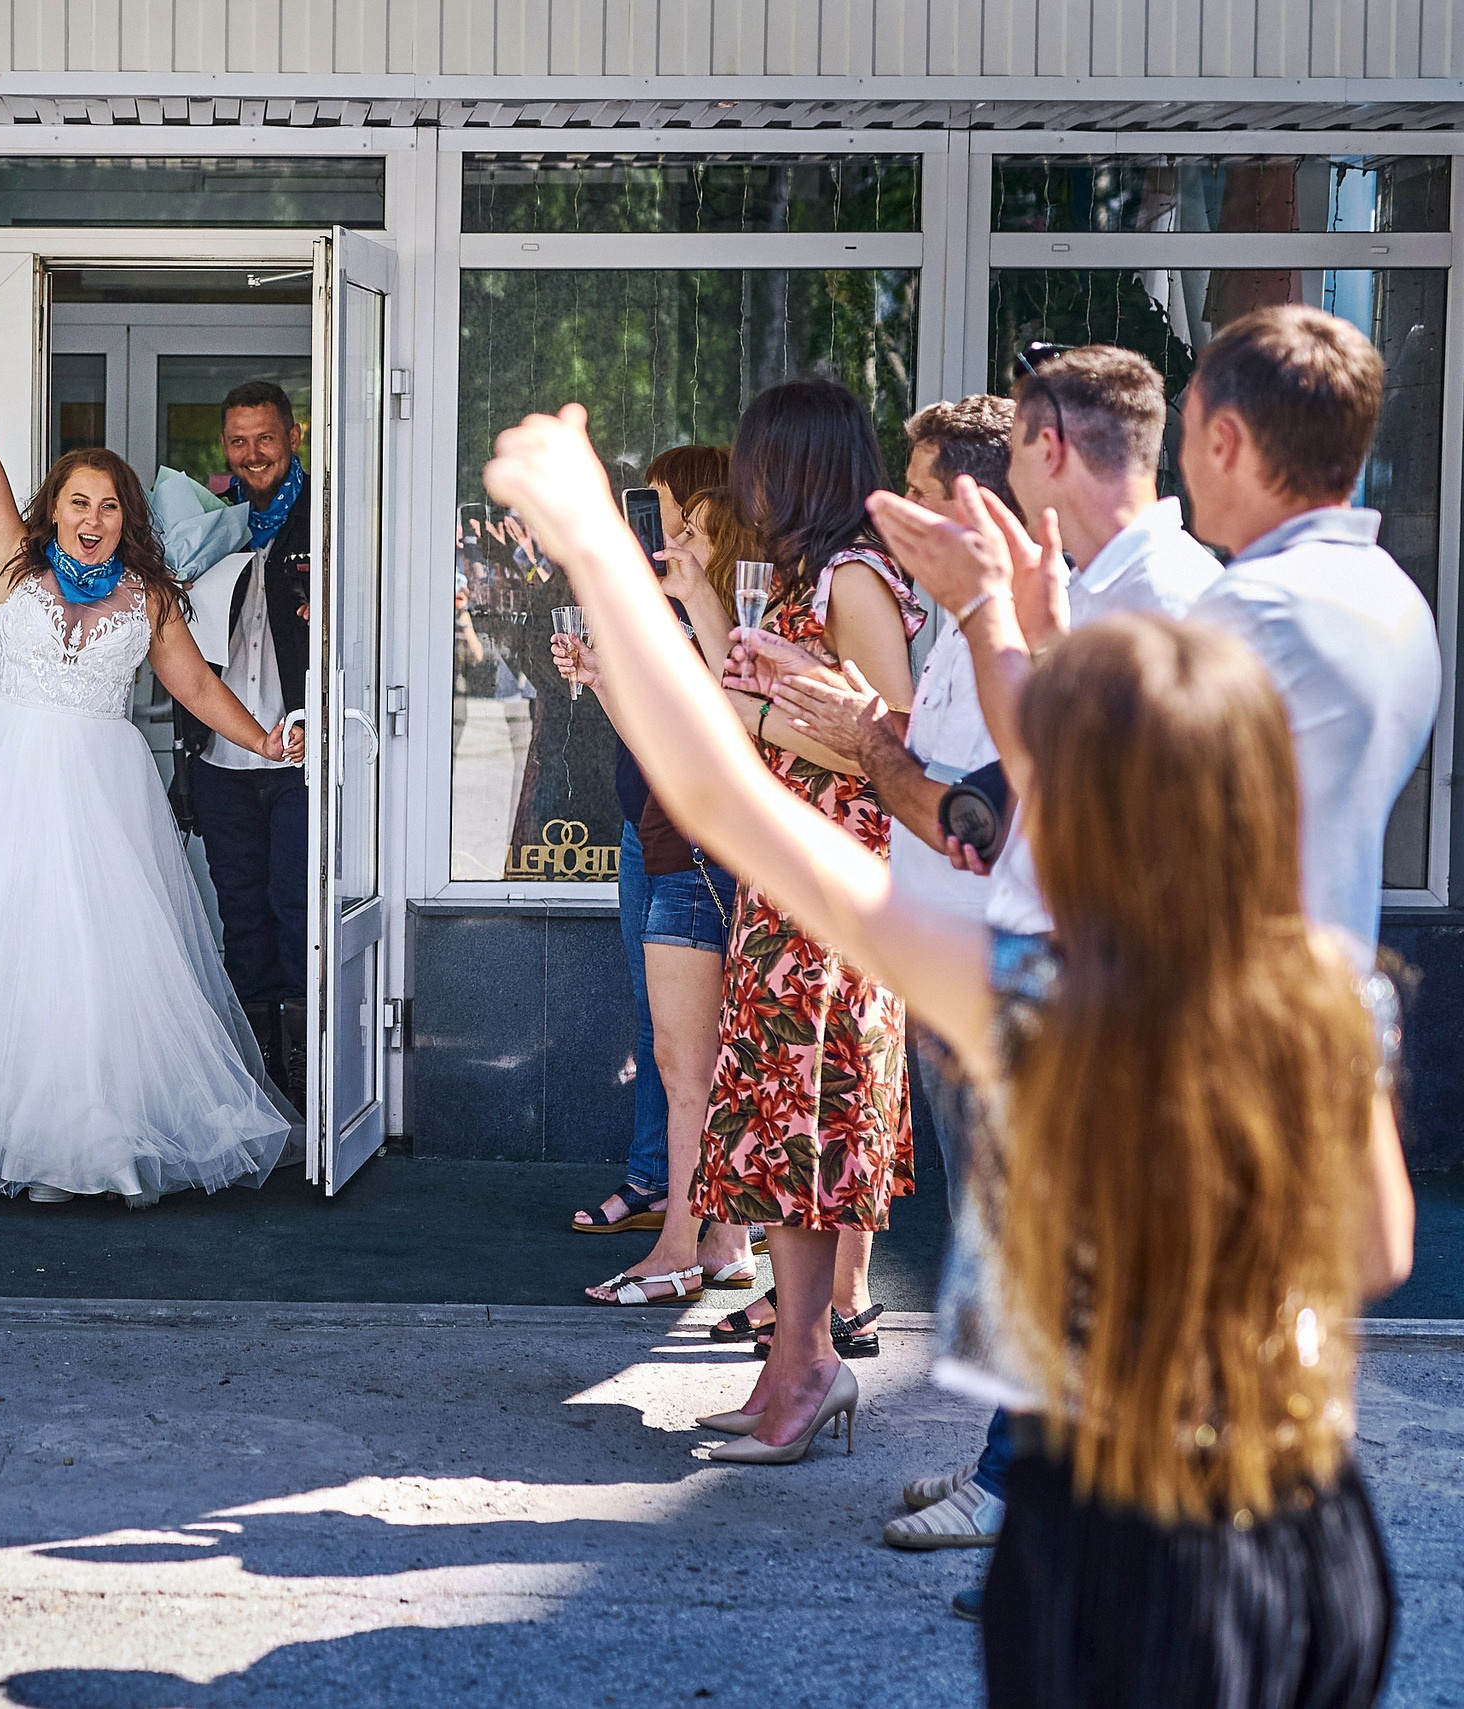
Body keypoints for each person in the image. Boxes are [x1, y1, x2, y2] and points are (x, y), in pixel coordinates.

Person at [486, 399, 1413, 1704]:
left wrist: (593, 545)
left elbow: (719, 797)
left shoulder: (1038, 1005)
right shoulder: (1319, 997)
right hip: (1294, 1528)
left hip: (1102, 1537)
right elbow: (1378, 1250)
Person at [0, 280, 302, 1205]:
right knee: (11, 951)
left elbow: (195, 685)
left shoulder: (149, 595)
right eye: (77, 502)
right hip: (11, 782)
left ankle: (91, 1140)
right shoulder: (12, 566)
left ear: (125, 514)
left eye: (108, 505)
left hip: (103, 791)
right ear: (53, 508)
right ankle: (7, 1133)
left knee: (100, 962)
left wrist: (265, 741)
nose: (92, 519)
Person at [743, 397, 1020, 1548]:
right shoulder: (957, 623)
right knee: (986, 1225)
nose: (889, 508)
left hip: (978, 936)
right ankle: (1001, 1466)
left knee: (1012, 1229)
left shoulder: (927, 604)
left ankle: (1016, 1484)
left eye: (910, 484)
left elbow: (943, 784)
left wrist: (783, 715)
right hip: (943, 932)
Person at [686, 380, 923, 1452]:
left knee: (811, 1132)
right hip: (786, 888)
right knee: (785, 1136)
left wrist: (765, 709)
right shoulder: (801, 576)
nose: (750, 484)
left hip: (833, 893)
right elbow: (752, 721)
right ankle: (796, 1365)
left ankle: (808, 1368)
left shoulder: (855, 578)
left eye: (762, 463)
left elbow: (899, 759)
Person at [559, 479, 758, 1301]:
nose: (683, 545)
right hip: (678, 844)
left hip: (708, 856)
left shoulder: (736, 632)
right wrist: (605, 684)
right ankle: (718, 1239)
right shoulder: (702, 626)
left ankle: (684, 1246)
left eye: (703, 535)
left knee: (690, 1064)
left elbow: (729, 731)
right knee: (689, 1058)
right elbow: (664, 744)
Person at [172, 380, 313, 1101]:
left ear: (295, 437)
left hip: (295, 757)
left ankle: (309, 1083)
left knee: (295, 905)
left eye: (265, 437)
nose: (252, 454)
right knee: (241, 914)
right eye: (238, 441)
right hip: (221, 760)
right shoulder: (208, 529)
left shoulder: (327, 525)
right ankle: (260, 1077)